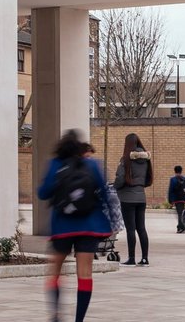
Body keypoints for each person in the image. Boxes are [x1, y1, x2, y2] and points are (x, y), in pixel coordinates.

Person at [37, 129, 111, 322]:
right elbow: (104, 193)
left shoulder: (54, 165)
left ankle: (56, 313)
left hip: (62, 227)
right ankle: (79, 319)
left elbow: (43, 193)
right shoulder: (93, 165)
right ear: (79, 148)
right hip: (88, 226)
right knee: (85, 274)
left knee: (55, 270)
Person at [114, 133, 152, 267]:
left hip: (127, 198)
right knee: (141, 228)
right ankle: (145, 258)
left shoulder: (126, 160)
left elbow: (120, 178)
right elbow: (148, 178)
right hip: (141, 197)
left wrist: (115, 186)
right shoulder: (147, 159)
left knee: (131, 229)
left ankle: (131, 258)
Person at [168, 165, 185, 233]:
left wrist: (170, 200)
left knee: (179, 214)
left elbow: (171, 190)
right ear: (181, 170)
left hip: (177, 199)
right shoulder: (184, 178)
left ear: (175, 171)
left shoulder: (173, 179)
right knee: (180, 213)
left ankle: (182, 227)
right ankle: (179, 227)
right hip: (183, 199)